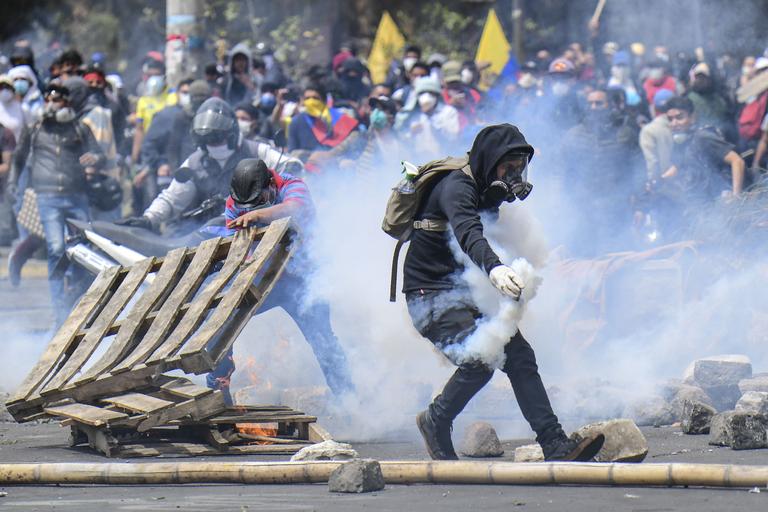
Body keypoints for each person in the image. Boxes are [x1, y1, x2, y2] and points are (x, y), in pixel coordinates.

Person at [402, 124, 604, 461]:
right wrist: (495, 268)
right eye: (506, 167)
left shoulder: (486, 190)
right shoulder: (457, 187)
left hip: (462, 294)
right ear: (489, 160)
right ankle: (435, 420)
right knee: (481, 360)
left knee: (519, 356)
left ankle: (554, 443)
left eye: (518, 167)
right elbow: (468, 233)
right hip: (429, 296)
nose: (513, 174)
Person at [204, 158, 354, 404]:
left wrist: (259, 214)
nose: (248, 209)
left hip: (302, 281)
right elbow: (236, 243)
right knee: (221, 326)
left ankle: (351, 401)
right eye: (245, 206)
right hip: (263, 281)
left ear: (270, 185)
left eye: (257, 201)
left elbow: (296, 208)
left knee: (323, 340)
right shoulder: (234, 202)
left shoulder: (291, 185)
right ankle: (219, 399)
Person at [120, 97, 299, 231]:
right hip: (209, 234)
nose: (213, 144)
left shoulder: (256, 151)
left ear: (231, 134)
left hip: (259, 230)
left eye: (217, 138)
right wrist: (148, 218)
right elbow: (172, 197)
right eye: (207, 140)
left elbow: (293, 167)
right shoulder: (195, 162)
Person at [7, 83, 105, 326]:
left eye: (58, 100)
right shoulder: (35, 128)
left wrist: (95, 158)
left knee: (84, 249)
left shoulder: (79, 128)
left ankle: (79, 301)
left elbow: (99, 153)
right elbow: (18, 158)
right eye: (48, 99)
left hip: (76, 194)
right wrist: (13, 184)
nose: (52, 104)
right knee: (55, 248)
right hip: (47, 196)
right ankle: (59, 310)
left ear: (67, 103)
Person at [287, 83, 363, 170]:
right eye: (307, 98)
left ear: (324, 101)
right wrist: (312, 156)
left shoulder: (341, 119)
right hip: (309, 168)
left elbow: (353, 150)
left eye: (315, 98)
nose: (311, 101)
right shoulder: (297, 121)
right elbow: (292, 152)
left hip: (337, 168)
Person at [395, 76, 460, 160]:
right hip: (420, 161)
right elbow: (404, 141)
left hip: (444, 160)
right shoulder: (414, 115)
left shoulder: (448, 112)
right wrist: (411, 133)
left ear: (436, 95)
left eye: (430, 93)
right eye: (422, 94)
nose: (426, 96)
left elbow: (453, 137)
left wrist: (433, 119)